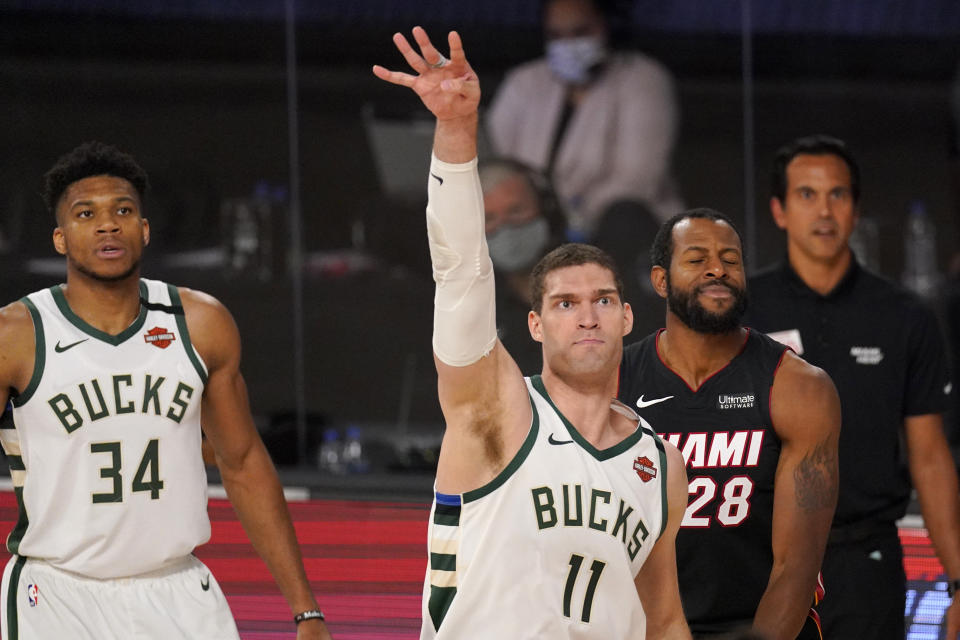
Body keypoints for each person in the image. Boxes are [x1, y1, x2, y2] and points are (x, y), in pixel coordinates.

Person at [373, 26, 691, 638]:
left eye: (603, 299)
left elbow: (665, 617)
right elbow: (461, 267)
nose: (588, 314)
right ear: (535, 325)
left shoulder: (660, 463)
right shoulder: (497, 407)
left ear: (627, 318)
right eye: (566, 303)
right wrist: (456, 131)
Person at [0, 141, 331, 639]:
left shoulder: (201, 323)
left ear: (145, 230)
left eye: (124, 210)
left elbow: (242, 464)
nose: (108, 224)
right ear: (61, 238)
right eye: (86, 213)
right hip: (57, 595)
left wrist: (305, 610)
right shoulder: (16, 334)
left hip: (177, 589)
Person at [745, 134, 960, 639]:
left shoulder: (905, 316)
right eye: (807, 195)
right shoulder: (744, 311)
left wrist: (958, 582)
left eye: (837, 194)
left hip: (868, 561)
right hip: (762, 560)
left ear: (856, 209)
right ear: (779, 210)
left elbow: (929, 456)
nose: (824, 210)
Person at [617, 208, 841, 639]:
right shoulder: (614, 384)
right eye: (697, 259)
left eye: (731, 260)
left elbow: (796, 566)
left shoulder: (799, 388)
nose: (718, 269)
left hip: (761, 627)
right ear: (661, 280)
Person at [486, 0, 682, 241]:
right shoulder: (524, 81)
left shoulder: (643, 78)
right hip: (530, 225)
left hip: (613, 229)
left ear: (610, 26)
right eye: (556, 35)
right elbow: (495, 161)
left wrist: (564, 217)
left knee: (623, 220)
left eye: (581, 32)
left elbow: (638, 181)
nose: (568, 44)